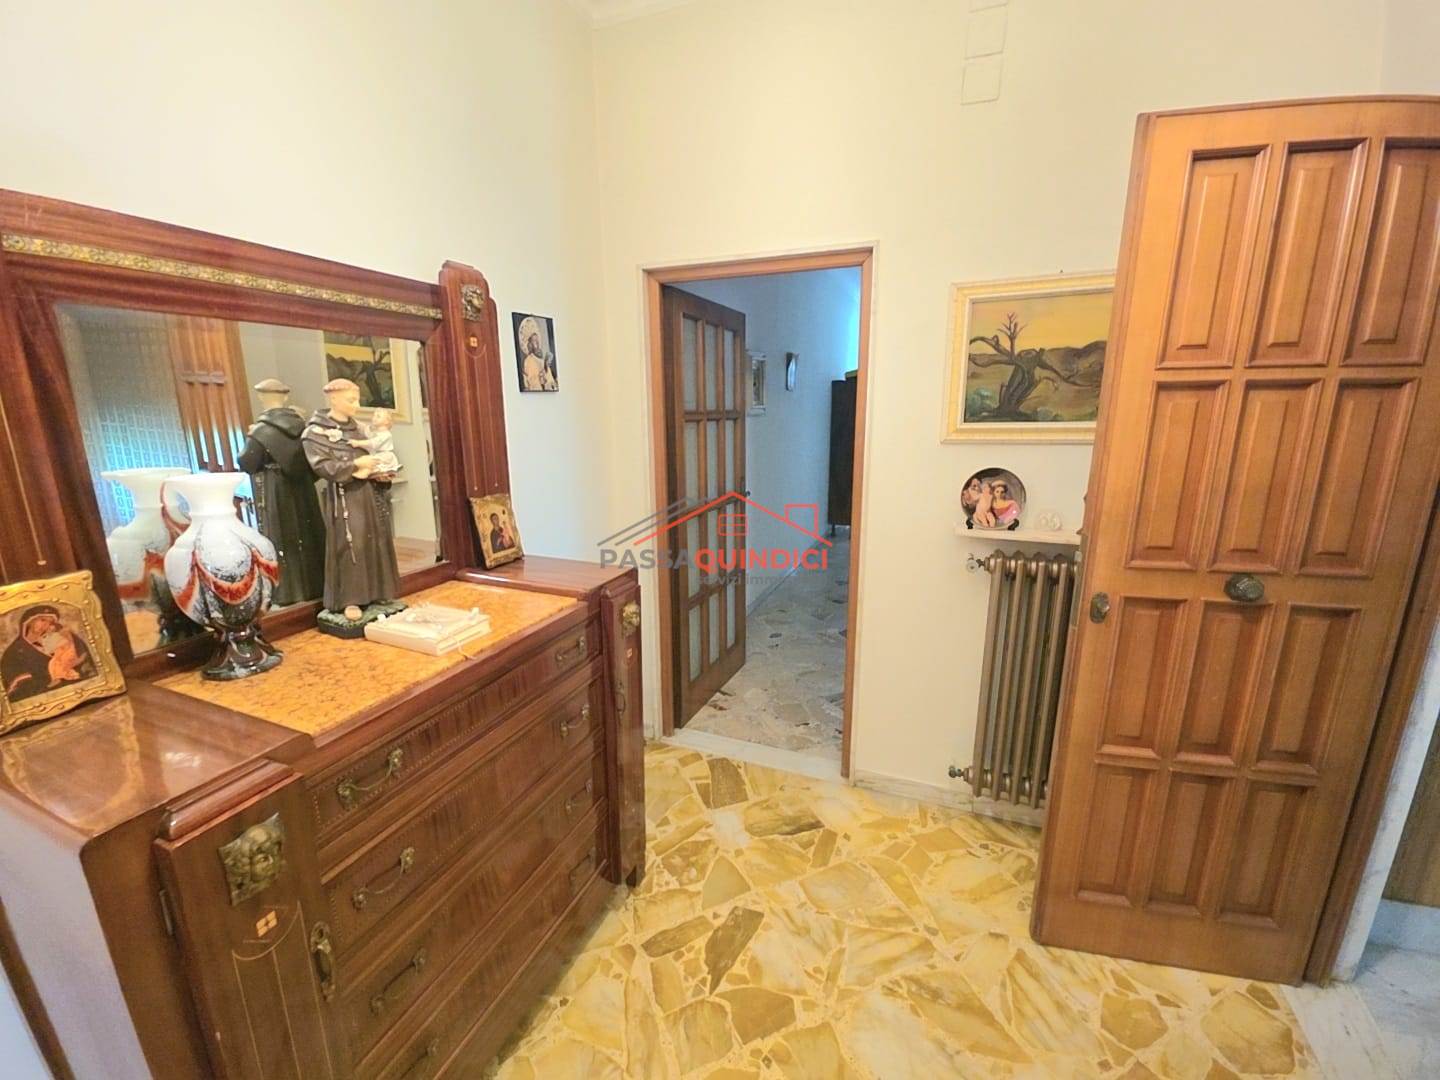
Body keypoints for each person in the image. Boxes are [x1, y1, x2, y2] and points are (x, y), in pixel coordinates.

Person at [302, 378, 402, 623]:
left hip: (369, 492)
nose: (357, 406)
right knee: (350, 543)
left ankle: (377, 591)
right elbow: (322, 466)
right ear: (334, 399)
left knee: (375, 539)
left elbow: (376, 452)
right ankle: (350, 598)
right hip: (345, 496)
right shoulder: (316, 434)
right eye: (351, 400)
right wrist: (355, 464)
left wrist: (380, 471)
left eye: (357, 400)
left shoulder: (360, 429)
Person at [238, 378, 328, 606]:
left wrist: (250, 438)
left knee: (282, 538)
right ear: (285, 397)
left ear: (261, 397)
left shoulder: (260, 432)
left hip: (276, 490)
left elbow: (248, 462)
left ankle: (288, 592)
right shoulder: (303, 427)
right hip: (303, 489)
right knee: (309, 535)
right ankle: (316, 585)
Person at [2, 606, 96, 703]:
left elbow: (85, 660)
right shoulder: (14, 652)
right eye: (42, 620)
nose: (45, 625)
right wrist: (48, 679)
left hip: (79, 693)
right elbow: (16, 686)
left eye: (50, 623)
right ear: (29, 621)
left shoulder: (60, 638)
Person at [348, 407, 401, 475]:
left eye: (378, 416)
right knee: (368, 461)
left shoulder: (386, 435)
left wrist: (358, 443)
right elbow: (365, 429)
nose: (374, 418)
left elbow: (372, 443)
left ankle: (367, 471)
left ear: (386, 421)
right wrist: (353, 421)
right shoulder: (375, 432)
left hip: (384, 456)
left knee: (370, 461)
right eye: (374, 416)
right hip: (376, 454)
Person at [517, 317, 558, 391]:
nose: (537, 342)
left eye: (537, 339)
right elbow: (535, 386)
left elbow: (551, 382)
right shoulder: (529, 361)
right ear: (530, 344)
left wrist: (546, 368)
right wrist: (542, 381)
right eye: (534, 340)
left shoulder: (541, 360)